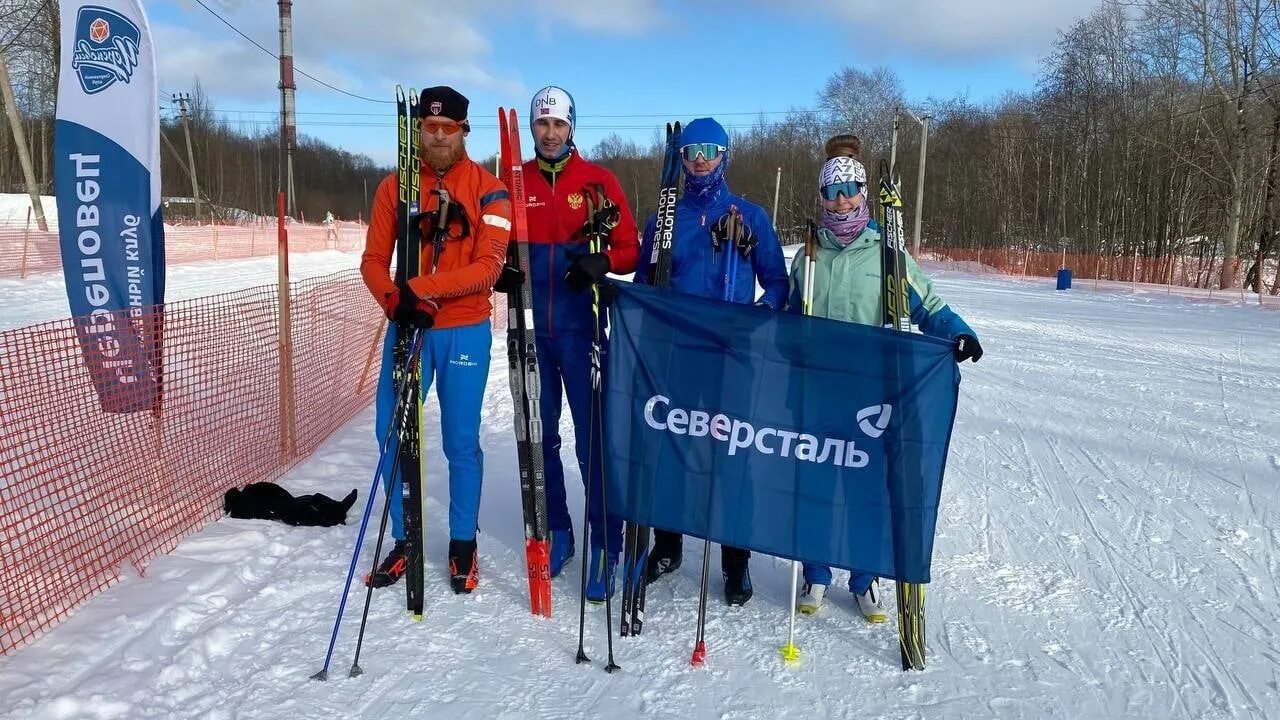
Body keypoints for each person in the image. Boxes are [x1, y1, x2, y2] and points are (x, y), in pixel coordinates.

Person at [785, 150, 983, 620]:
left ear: (863, 195)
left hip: (871, 397)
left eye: (848, 190)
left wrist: (956, 332)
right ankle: (815, 575)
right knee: (816, 484)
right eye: (830, 193)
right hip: (816, 393)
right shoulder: (808, 257)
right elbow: (785, 317)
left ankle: (863, 578)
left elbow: (927, 306)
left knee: (864, 489)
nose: (839, 202)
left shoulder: (888, 255)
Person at [359, 86, 512, 594]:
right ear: (418, 129)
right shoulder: (393, 189)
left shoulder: (490, 191)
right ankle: (405, 539)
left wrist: (420, 289)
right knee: (391, 434)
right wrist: (395, 300)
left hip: (463, 331)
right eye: (430, 127)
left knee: (460, 442)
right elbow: (373, 261)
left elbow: (487, 269)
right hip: (408, 328)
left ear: (464, 131)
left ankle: (463, 544)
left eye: (449, 129)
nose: (439, 137)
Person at [634, 117, 789, 606]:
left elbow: (779, 286)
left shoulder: (751, 216)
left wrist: (754, 316)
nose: (699, 158)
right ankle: (667, 544)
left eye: (709, 149)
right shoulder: (664, 219)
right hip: (677, 356)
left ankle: (735, 559)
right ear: (680, 157)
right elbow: (642, 286)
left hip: (732, 357)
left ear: (725, 155)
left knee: (732, 455)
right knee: (670, 449)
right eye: (690, 150)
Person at [495, 86, 640, 601]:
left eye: (559, 124)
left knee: (593, 440)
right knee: (541, 439)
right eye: (542, 124)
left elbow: (630, 249)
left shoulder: (597, 182)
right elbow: (493, 245)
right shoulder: (515, 183)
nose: (550, 133)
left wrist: (602, 262)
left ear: (572, 126)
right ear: (532, 129)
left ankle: (607, 542)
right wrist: (500, 270)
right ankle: (557, 530)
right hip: (532, 331)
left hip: (584, 332)